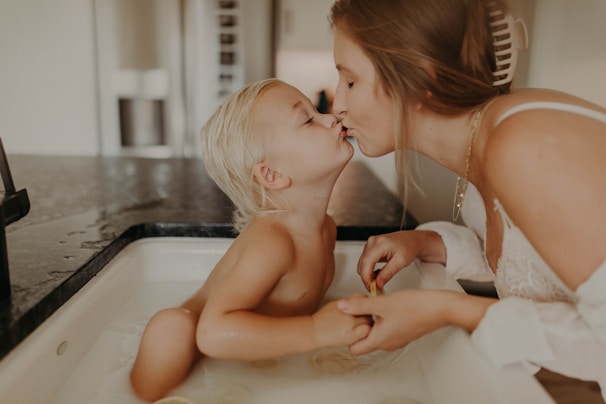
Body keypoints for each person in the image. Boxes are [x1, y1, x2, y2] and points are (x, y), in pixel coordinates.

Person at [328, 0, 606, 397]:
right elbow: (536, 256)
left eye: (350, 81)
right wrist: (428, 242)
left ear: (422, 81)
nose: (337, 104)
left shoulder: (523, 148)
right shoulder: (490, 131)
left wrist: (447, 309)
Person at [129, 78, 370, 402]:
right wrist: (316, 331)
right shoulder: (274, 242)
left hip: (249, 360)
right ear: (272, 175)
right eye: (308, 119)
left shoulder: (325, 229)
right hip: (190, 352)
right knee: (171, 327)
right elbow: (212, 334)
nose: (330, 118)